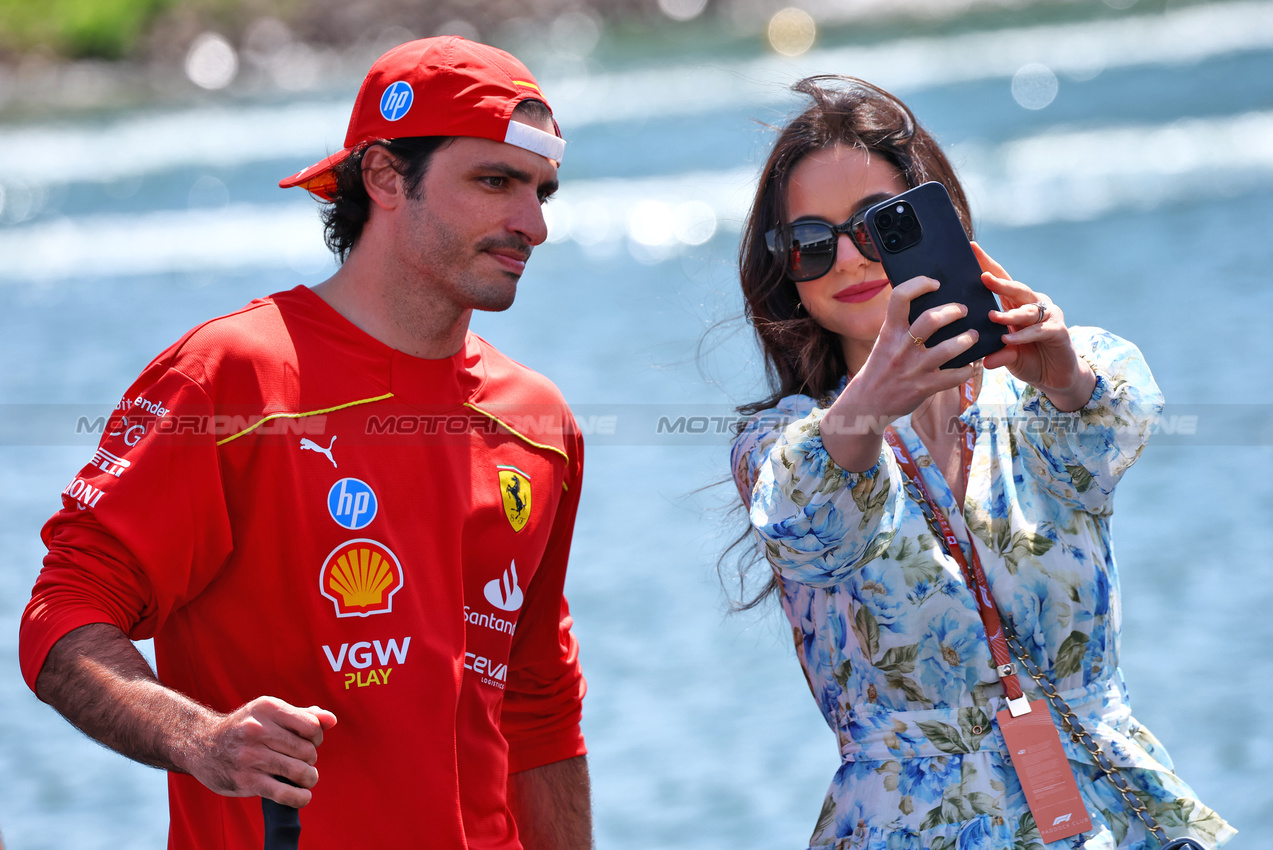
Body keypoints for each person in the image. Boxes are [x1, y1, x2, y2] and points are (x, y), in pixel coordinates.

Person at [20, 37, 592, 849]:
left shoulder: (539, 422)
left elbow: (538, 710)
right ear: (386, 177)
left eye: (542, 190)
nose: (530, 223)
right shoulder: (231, 378)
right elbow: (61, 620)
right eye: (493, 181)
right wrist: (201, 740)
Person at [728, 76, 1234, 850]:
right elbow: (806, 520)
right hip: (912, 828)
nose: (848, 259)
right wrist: (870, 400)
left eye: (877, 224)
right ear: (786, 269)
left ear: (938, 220)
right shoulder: (789, 445)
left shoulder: (1046, 397)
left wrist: (1062, 372)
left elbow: (1116, 417)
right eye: (811, 242)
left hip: (1107, 812)